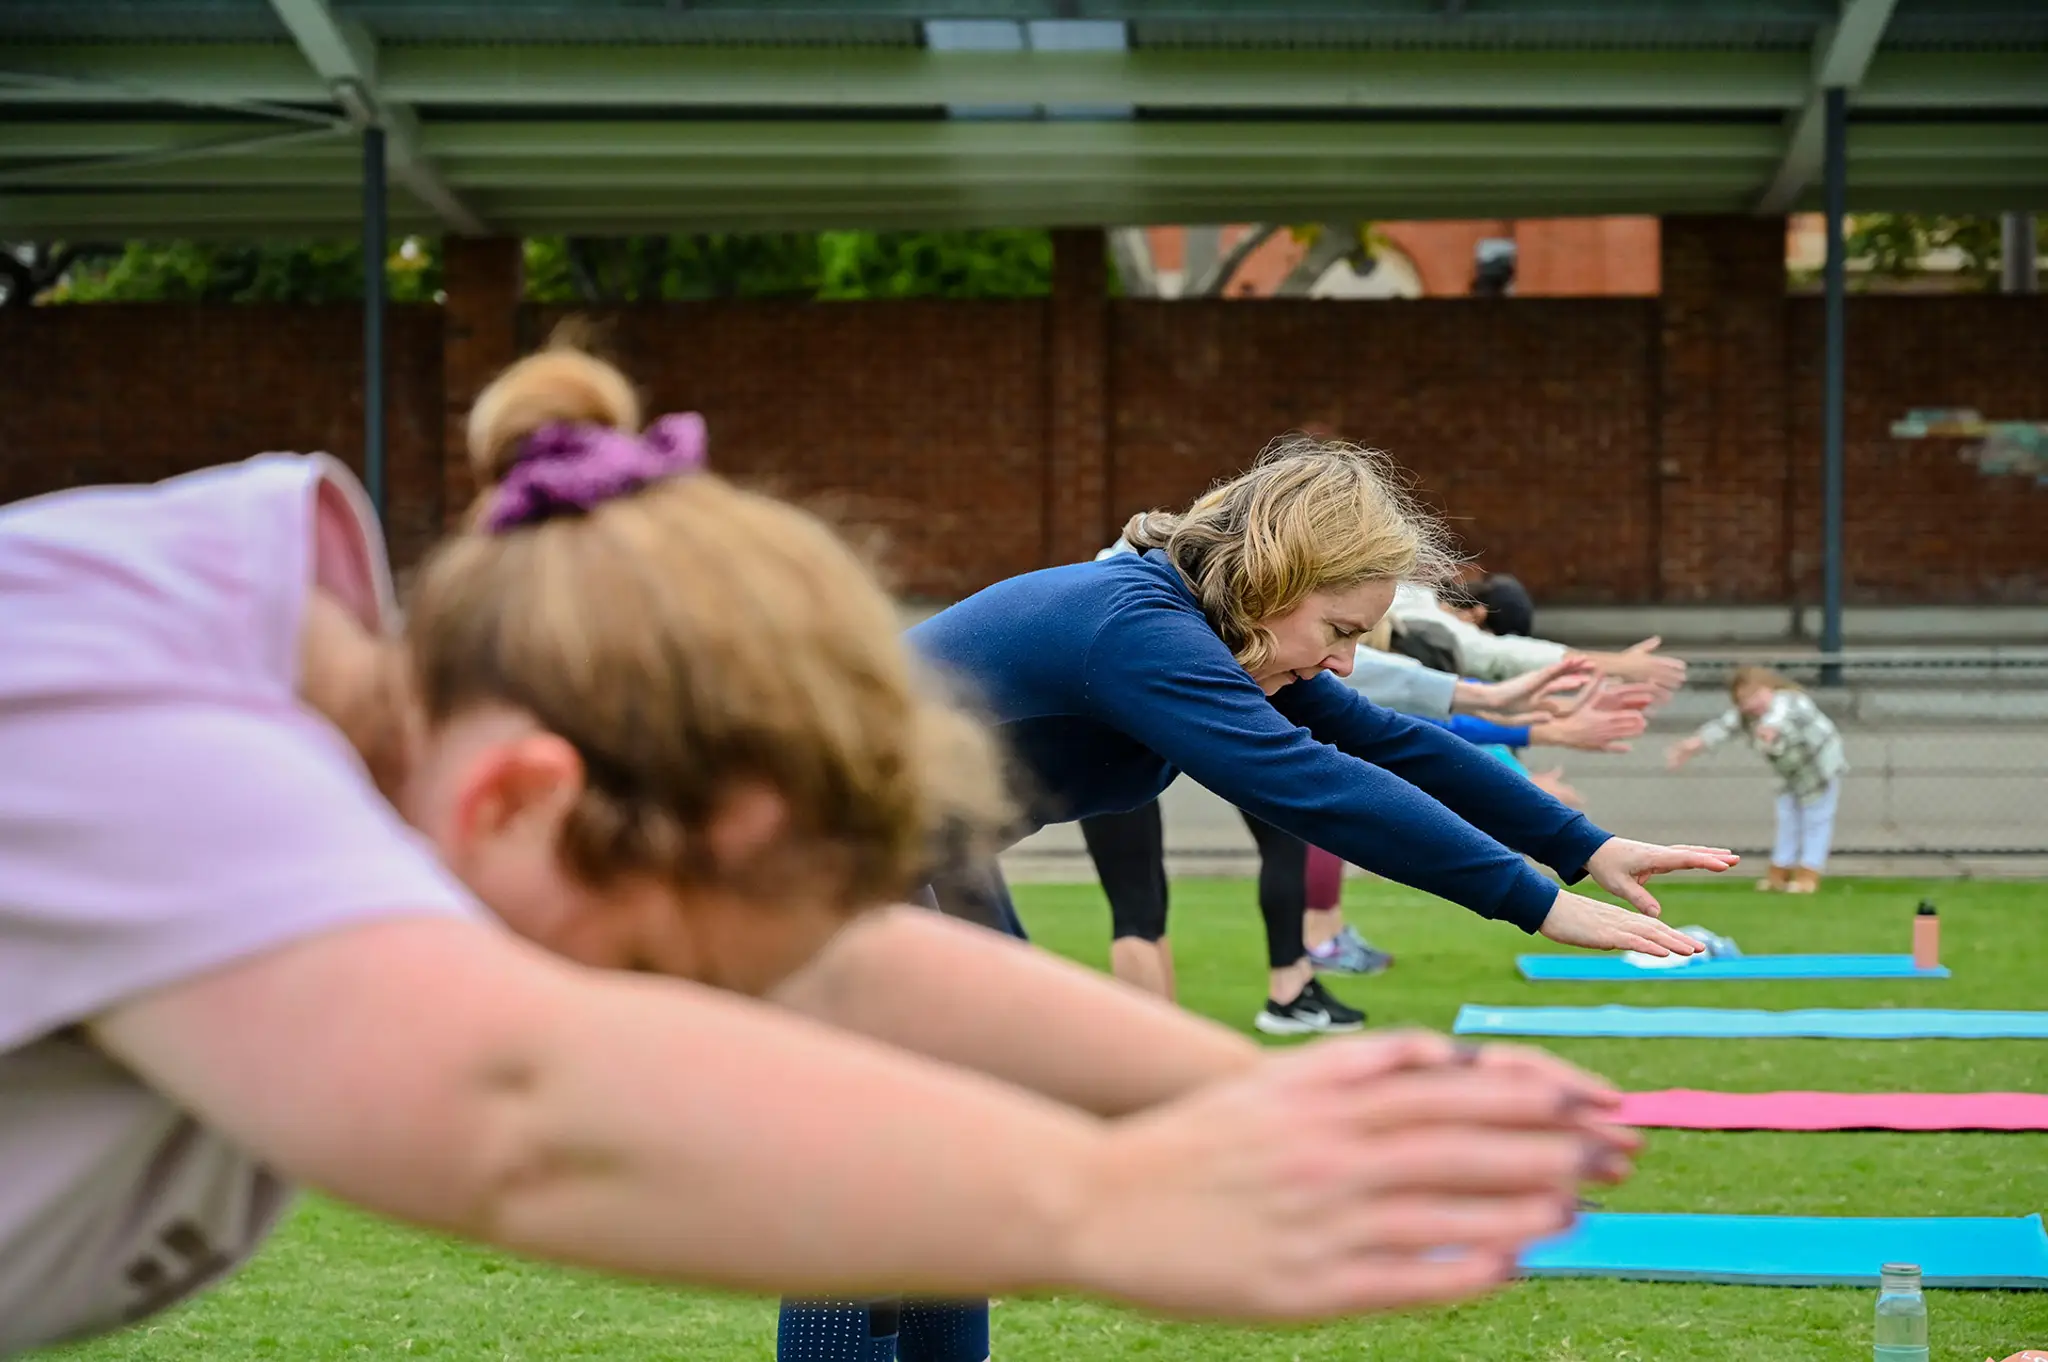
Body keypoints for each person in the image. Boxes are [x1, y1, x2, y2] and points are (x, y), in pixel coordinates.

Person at [0, 344, 1641, 1356]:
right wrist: (1102, 1195)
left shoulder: (335, 722)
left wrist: (1242, 1096)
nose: (716, 1000)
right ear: (516, 801)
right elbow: (510, 1106)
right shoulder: (130, 712)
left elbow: (855, 957)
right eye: (657, 970)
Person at [1667, 665, 1849, 893]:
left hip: (1819, 771)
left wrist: (1771, 728)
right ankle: (1779, 873)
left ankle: (1808, 876)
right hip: (1789, 774)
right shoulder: (1746, 717)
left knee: (1816, 822)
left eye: (1756, 694)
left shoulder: (1790, 700)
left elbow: (1780, 715)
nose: (1753, 703)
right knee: (1787, 820)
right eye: (1744, 699)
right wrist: (1691, 746)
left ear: (1768, 688)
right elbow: (1721, 728)